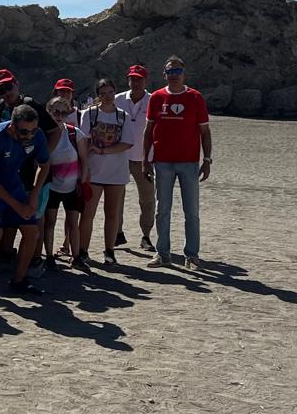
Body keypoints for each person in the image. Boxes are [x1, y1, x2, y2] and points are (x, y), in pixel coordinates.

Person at [0, 105, 50, 296]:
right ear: (12, 127)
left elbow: (44, 165)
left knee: (32, 232)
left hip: (12, 181)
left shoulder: (36, 135)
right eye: (24, 131)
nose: (29, 136)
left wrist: (33, 196)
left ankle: (19, 279)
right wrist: (17, 206)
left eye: (33, 131)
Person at [143, 56, 212, 270]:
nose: (174, 75)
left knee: (191, 211)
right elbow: (148, 132)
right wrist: (146, 160)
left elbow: (205, 132)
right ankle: (162, 253)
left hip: (189, 163)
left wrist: (207, 159)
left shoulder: (195, 97)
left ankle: (191, 255)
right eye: (170, 72)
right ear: (164, 75)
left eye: (177, 71)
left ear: (184, 73)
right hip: (162, 162)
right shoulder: (156, 97)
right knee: (162, 210)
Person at [80, 80, 133, 268]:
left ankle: (109, 251)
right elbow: (83, 142)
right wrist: (84, 167)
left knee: (112, 213)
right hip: (93, 172)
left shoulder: (123, 116)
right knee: (88, 213)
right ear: (98, 95)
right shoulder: (89, 114)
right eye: (103, 93)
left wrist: (103, 151)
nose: (108, 96)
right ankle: (82, 251)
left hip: (116, 172)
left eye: (111, 92)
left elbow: (127, 143)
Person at [43, 97, 86, 267]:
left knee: (72, 223)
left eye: (63, 112)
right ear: (49, 112)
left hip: (72, 186)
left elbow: (84, 160)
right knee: (50, 222)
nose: (59, 115)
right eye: (55, 112)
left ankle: (76, 257)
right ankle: (49, 257)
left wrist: (82, 182)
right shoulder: (44, 134)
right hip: (51, 186)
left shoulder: (75, 133)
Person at [119, 65, 156, 253]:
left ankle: (146, 236)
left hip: (144, 160)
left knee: (148, 199)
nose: (135, 82)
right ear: (128, 80)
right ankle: (117, 232)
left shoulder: (153, 100)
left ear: (145, 80)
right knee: (117, 197)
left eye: (139, 79)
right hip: (120, 158)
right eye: (132, 79)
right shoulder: (118, 99)